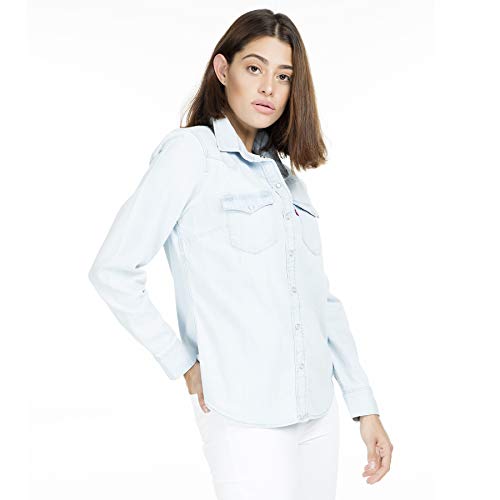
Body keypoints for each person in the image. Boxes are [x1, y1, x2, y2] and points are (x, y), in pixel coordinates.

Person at [88, 8, 393, 500]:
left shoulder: (283, 176)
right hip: (242, 414)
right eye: (255, 68)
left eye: (284, 76)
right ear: (222, 69)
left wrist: (364, 405)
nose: (268, 87)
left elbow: (319, 301)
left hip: (316, 412)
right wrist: (183, 362)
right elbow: (114, 270)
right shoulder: (191, 155)